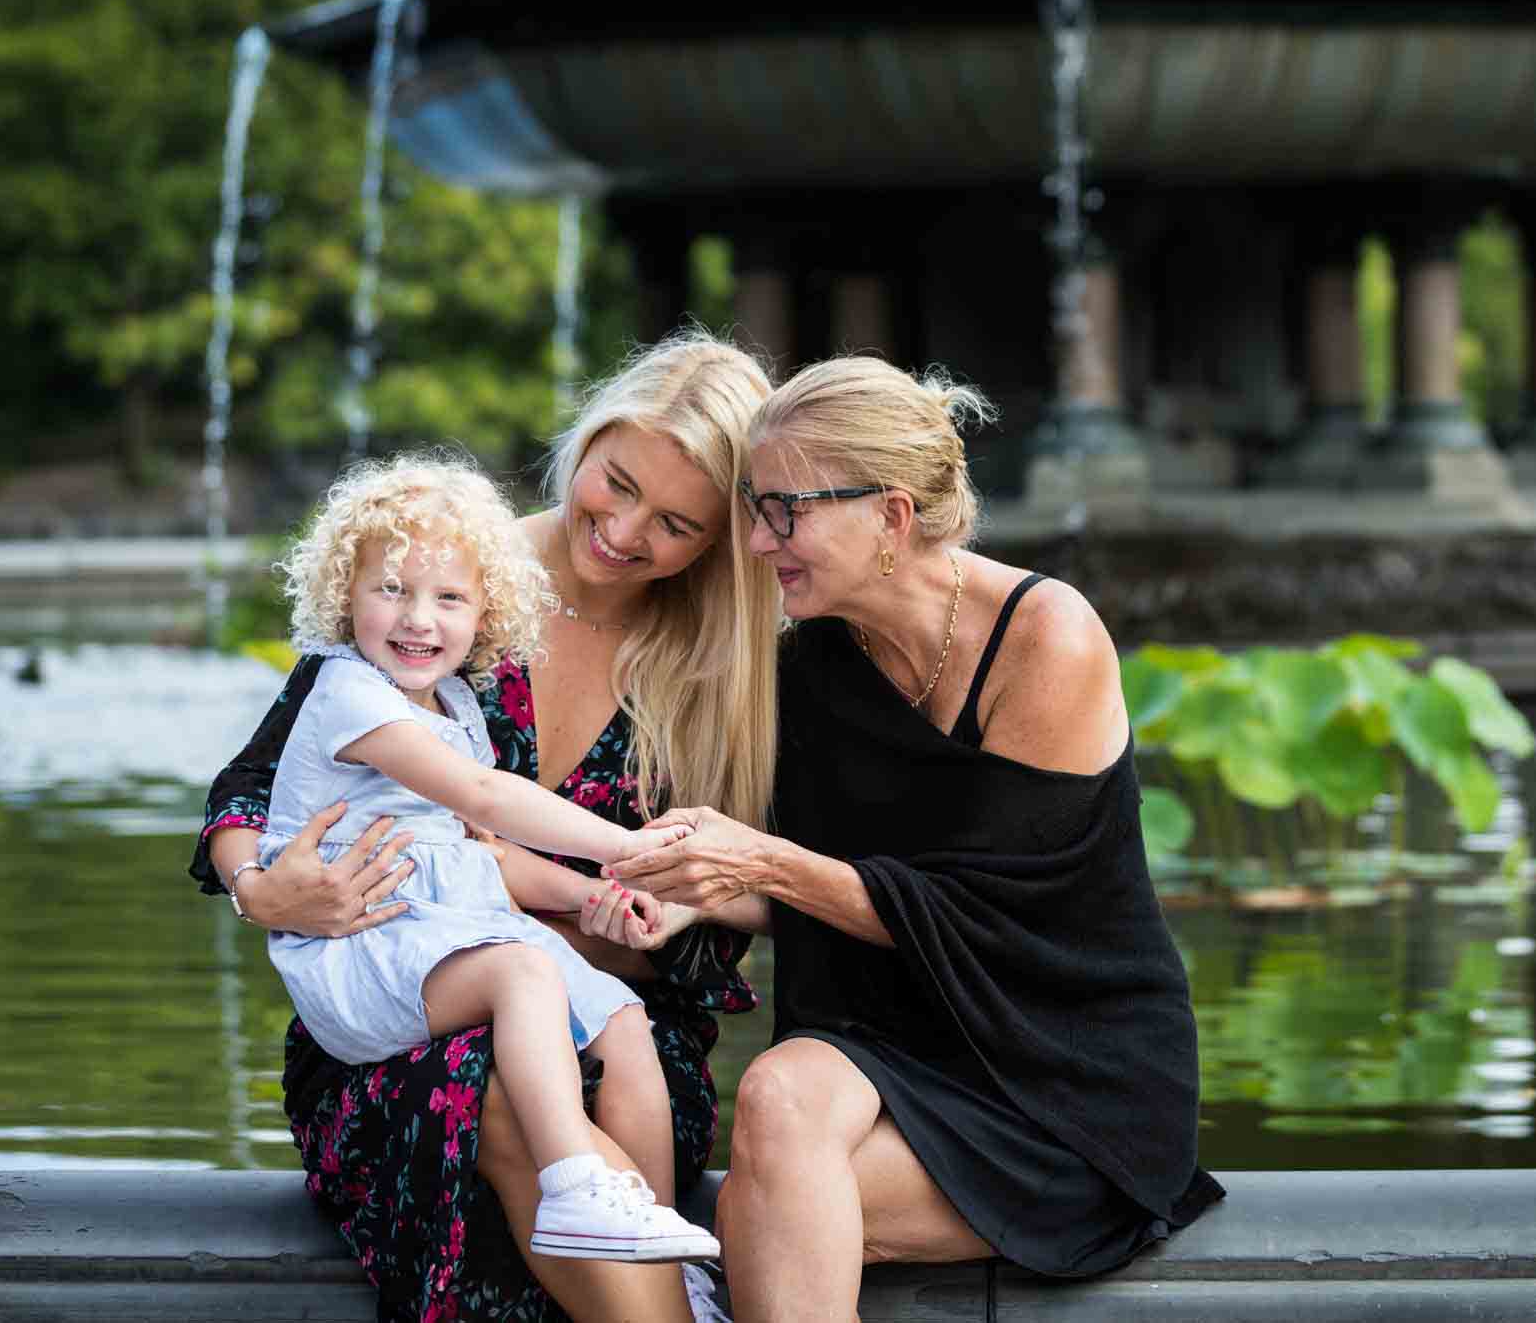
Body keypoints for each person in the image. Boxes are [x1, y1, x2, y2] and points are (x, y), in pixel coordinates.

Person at [605, 356, 1225, 1321]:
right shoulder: (808, 658)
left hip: (1061, 1080)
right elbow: (836, 895)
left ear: (891, 517)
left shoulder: (1045, 637)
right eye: (755, 508)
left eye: (786, 511)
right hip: (888, 1053)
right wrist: (700, 886)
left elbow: (983, 919)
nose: (762, 543)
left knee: (763, 1208)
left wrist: (761, 858)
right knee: (776, 1096)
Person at [190, 332, 777, 1322]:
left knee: (539, 1058)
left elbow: (770, 886)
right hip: (398, 1020)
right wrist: (263, 886)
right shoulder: (438, 580)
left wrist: (681, 908)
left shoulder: (727, 670)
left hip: (618, 1029)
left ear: (722, 537)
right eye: (614, 481)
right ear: (585, 442)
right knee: (488, 1079)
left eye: (676, 522)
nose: (626, 531)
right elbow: (247, 792)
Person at [253, 449, 716, 1264]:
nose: (418, 619)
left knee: (622, 1018)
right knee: (524, 974)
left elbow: (486, 857)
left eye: (448, 597)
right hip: (364, 948)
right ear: (344, 594)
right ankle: (575, 1180)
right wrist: (629, 843)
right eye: (390, 589)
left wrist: (600, 890)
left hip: (446, 925)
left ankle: (656, 1245)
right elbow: (486, 798)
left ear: (485, 613)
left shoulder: (456, 702)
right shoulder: (348, 692)